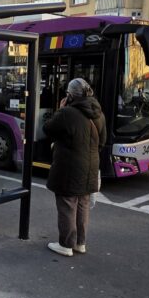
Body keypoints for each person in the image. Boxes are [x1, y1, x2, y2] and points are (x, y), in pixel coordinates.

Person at [43, 77, 106, 257]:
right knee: (83, 204)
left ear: (70, 96)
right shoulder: (99, 113)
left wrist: (61, 109)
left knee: (67, 204)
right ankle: (80, 243)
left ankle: (66, 244)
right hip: (91, 168)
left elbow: (47, 128)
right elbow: (102, 142)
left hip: (69, 168)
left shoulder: (67, 113)